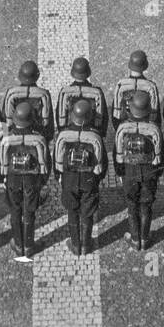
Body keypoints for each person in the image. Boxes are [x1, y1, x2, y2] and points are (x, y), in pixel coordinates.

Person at [0, 100, 50, 261]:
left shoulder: (6, 138)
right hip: (32, 182)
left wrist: (1, 179)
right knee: (29, 212)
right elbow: (47, 163)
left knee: (15, 211)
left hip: (12, 181)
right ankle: (29, 246)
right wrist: (41, 182)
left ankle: (18, 244)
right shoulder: (38, 138)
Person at [54, 98, 107, 256]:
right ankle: (86, 244)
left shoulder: (63, 135)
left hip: (69, 179)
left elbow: (56, 161)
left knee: (72, 211)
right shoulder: (95, 136)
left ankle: (76, 244)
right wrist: (97, 179)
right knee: (87, 212)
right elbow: (102, 162)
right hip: (89, 180)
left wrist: (60, 178)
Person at [113, 90, 164, 251]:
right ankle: (145, 237)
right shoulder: (154, 129)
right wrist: (156, 174)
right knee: (146, 205)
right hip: (149, 173)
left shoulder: (123, 129)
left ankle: (135, 238)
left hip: (129, 172)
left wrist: (121, 173)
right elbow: (161, 156)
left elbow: (117, 155)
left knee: (131, 205)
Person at [56, 56, 109, 137]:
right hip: (91, 133)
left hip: (69, 132)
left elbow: (59, 115)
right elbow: (104, 117)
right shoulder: (97, 92)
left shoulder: (65, 93)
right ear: (88, 72)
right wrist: (100, 134)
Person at [1, 60, 54, 142]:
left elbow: (4, 118)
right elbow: (49, 122)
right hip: (37, 134)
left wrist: (5, 137)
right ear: (37, 76)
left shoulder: (12, 93)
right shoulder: (44, 95)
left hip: (14, 134)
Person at [111, 50, 160, 129]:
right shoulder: (151, 87)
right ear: (145, 66)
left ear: (130, 64)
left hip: (125, 129)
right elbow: (156, 116)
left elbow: (115, 114)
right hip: (147, 129)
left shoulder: (122, 86)